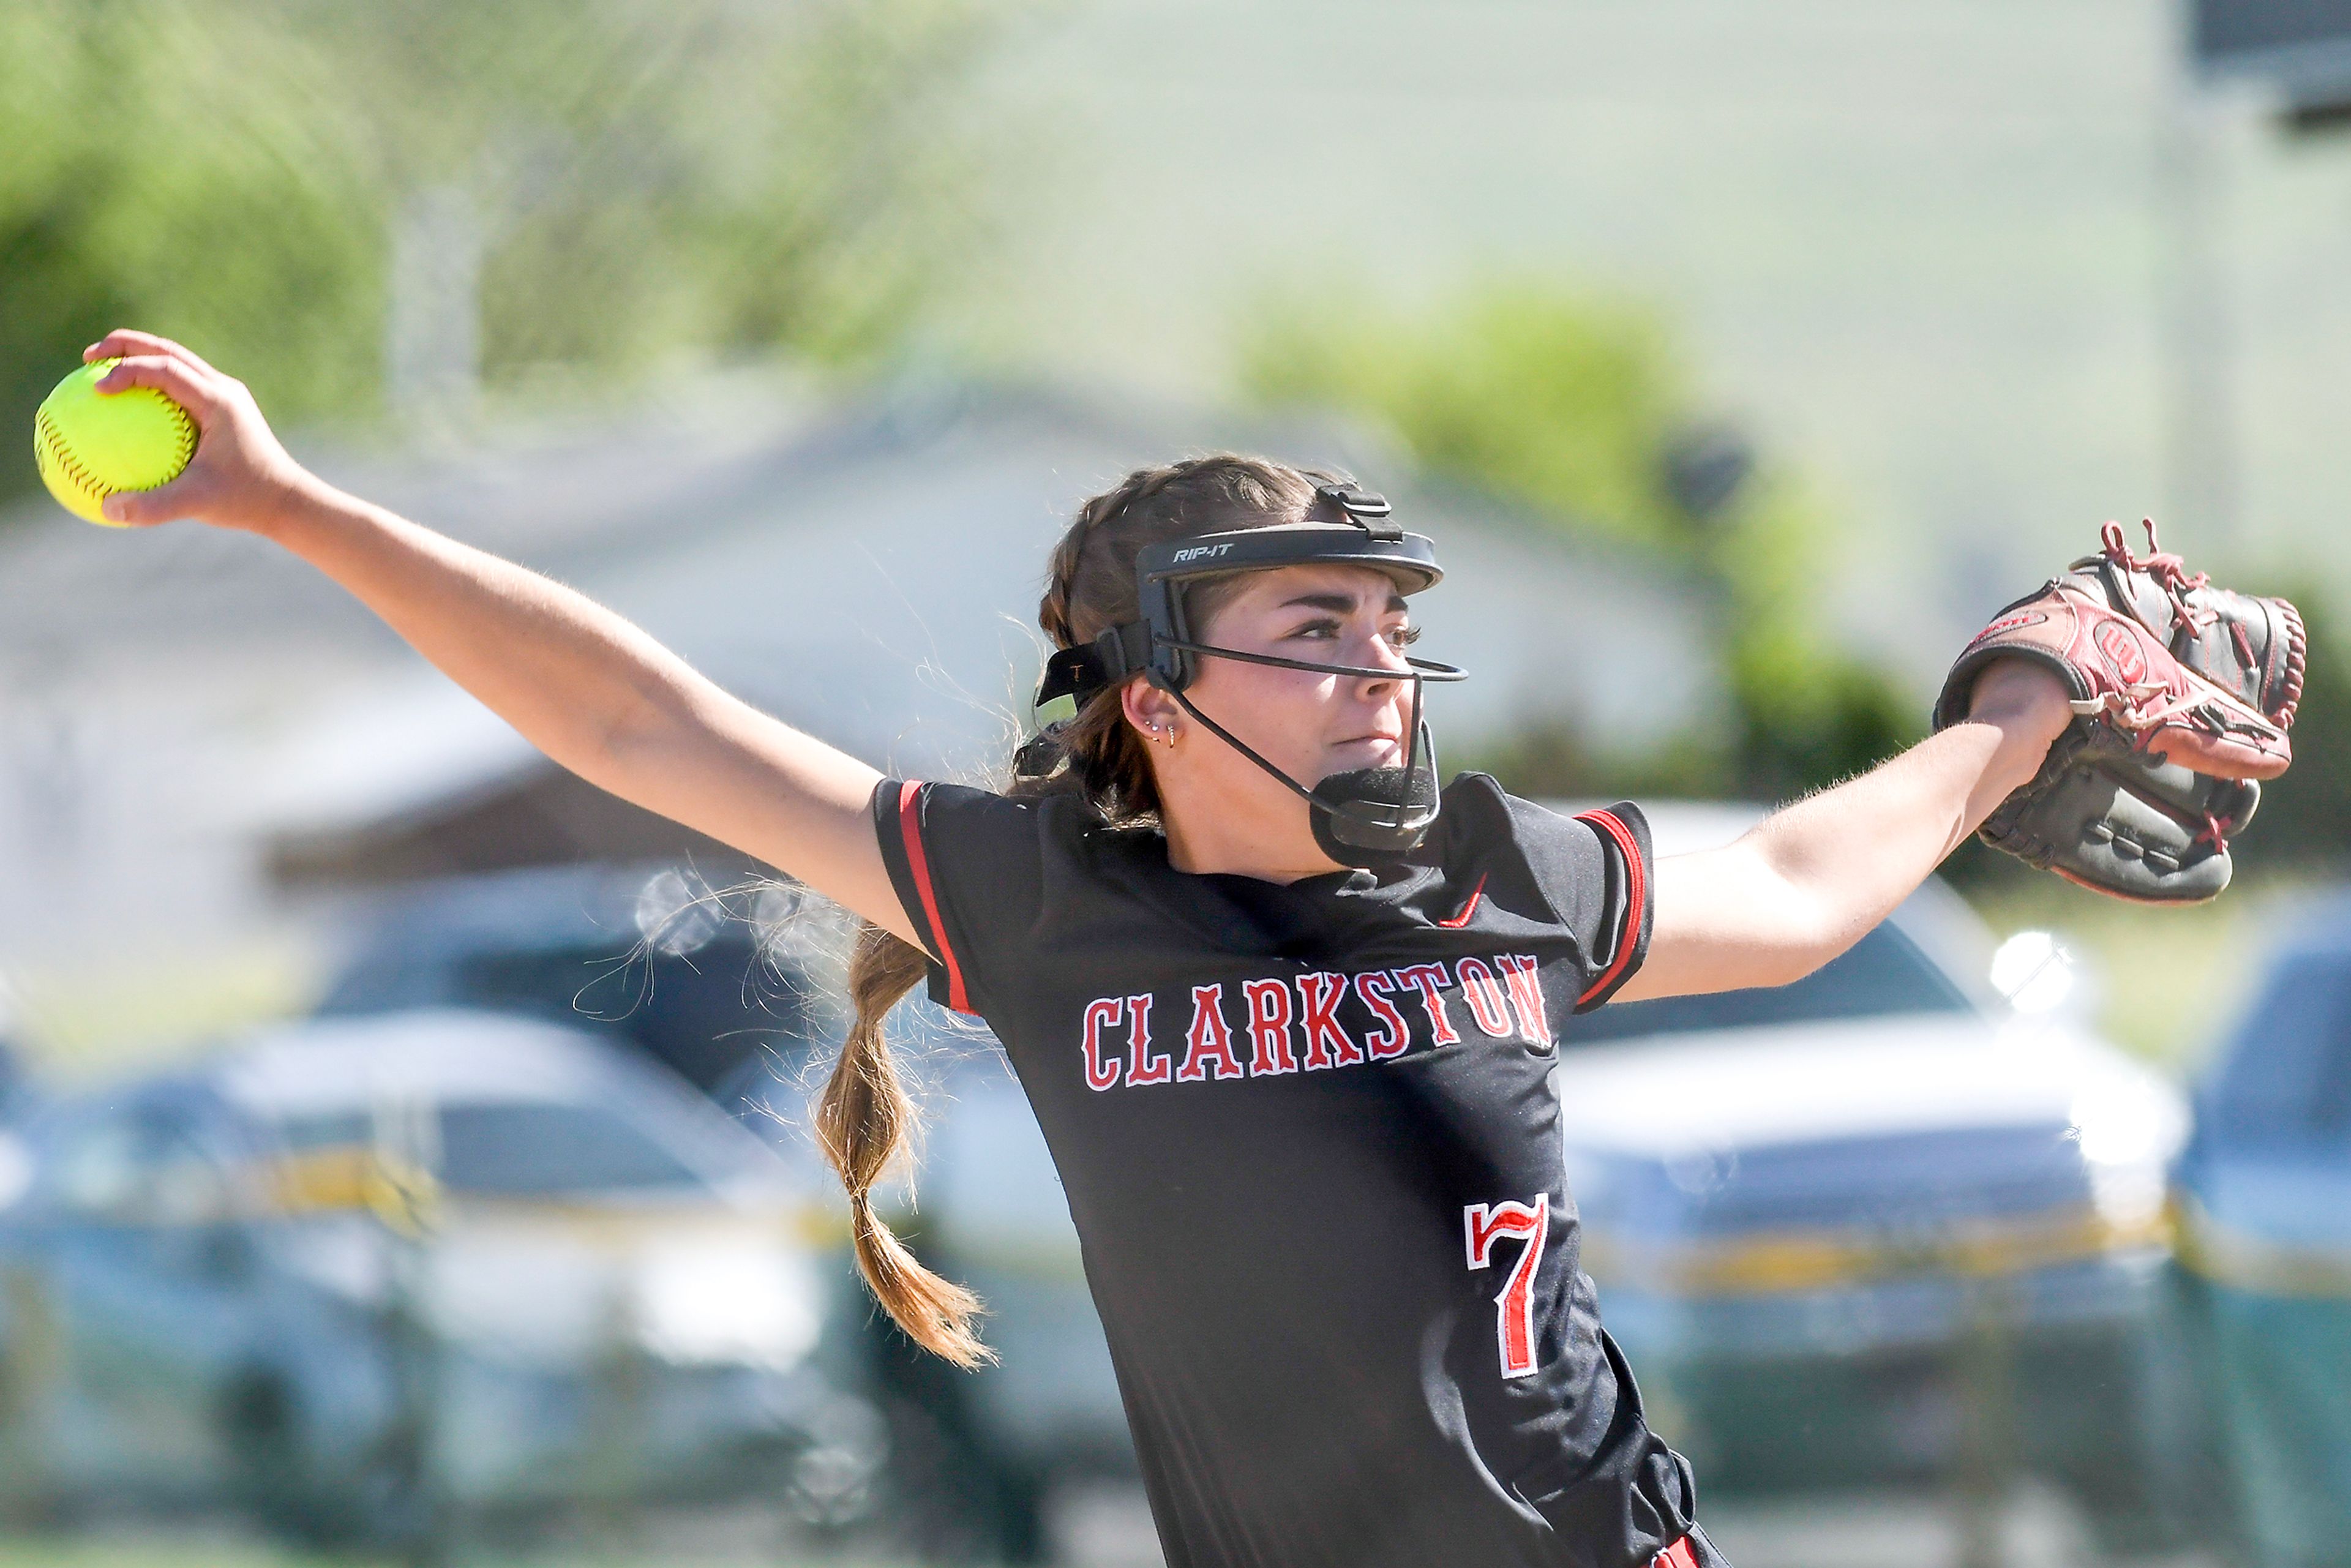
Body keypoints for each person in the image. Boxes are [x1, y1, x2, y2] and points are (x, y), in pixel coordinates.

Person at [81, 331, 2074, 1568]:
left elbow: (1809, 884)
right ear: (1144, 691)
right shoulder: (1045, 900)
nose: (1378, 671)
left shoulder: (1500, 869)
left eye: (1387, 628)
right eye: (1314, 632)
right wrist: (286, 501)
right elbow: (641, 725)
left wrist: (2019, 700)